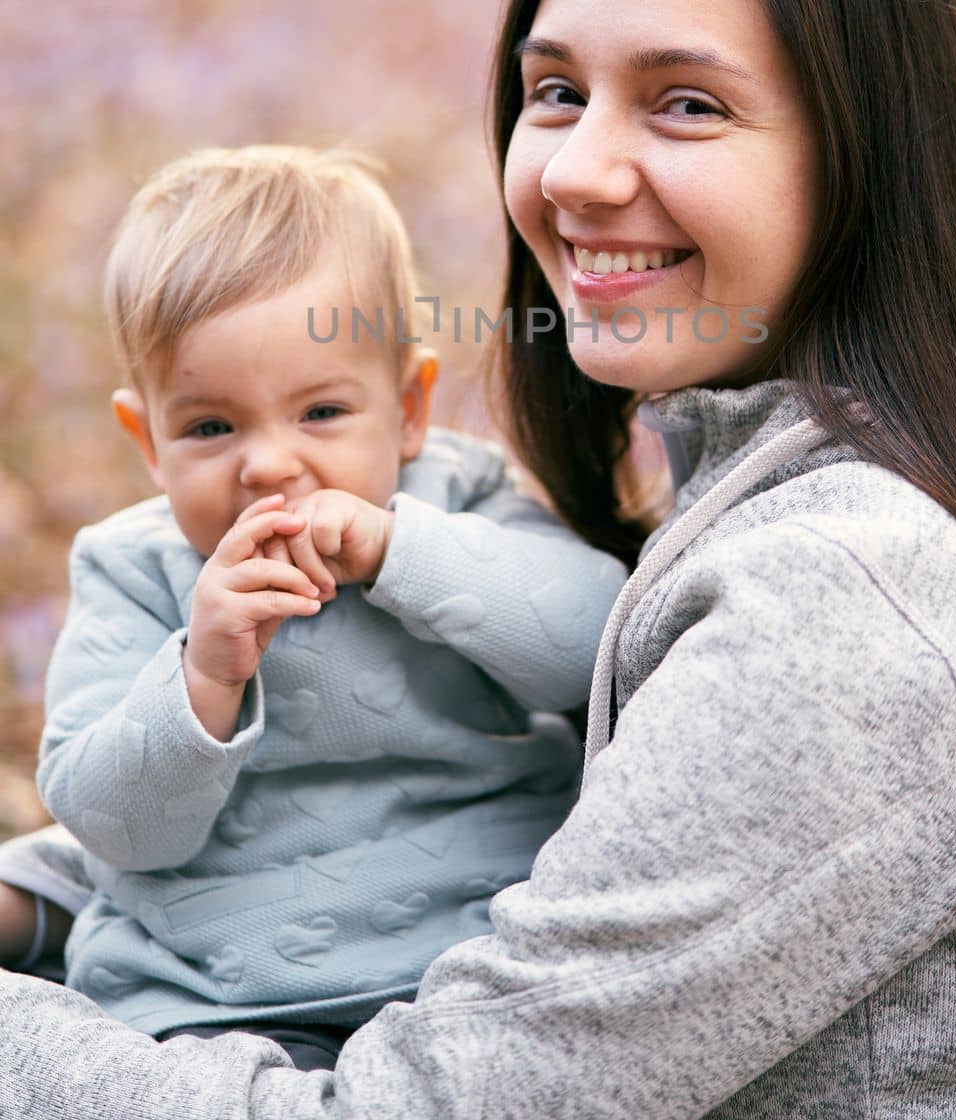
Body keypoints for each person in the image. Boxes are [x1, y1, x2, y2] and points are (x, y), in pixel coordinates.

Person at [1, 0, 956, 1117]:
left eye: (685, 104)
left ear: (864, 157)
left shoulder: (848, 608)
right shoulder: (797, 492)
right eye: (554, 91)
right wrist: (53, 897)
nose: (574, 170)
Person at [0, 143, 627, 1071]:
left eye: (321, 413)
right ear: (147, 440)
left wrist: (400, 551)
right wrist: (202, 672)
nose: (268, 464)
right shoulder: (135, 570)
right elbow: (111, 823)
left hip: (473, 962)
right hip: (219, 994)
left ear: (408, 408)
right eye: (210, 427)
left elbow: (595, 648)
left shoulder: (460, 500)